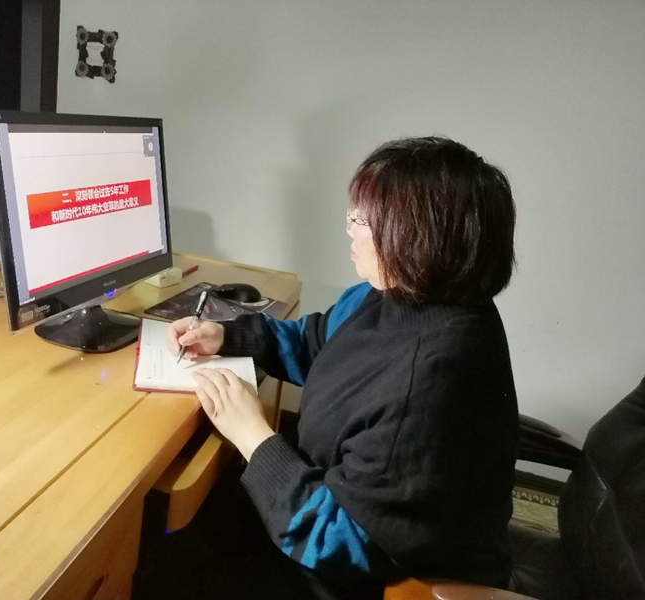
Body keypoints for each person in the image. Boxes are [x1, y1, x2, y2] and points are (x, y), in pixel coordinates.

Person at [159, 136, 519, 598]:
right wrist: (229, 335)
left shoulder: (432, 379)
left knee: (166, 558)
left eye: (363, 219)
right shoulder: (398, 294)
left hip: (362, 579)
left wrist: (251, 434)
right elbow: (319, 342)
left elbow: (338, 543)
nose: (349, 227)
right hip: (323, 496)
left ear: (418, 237)